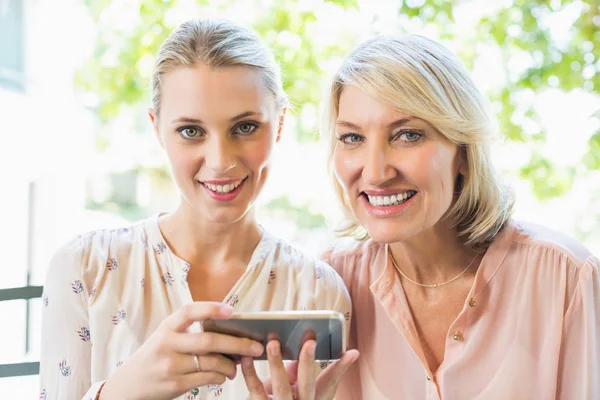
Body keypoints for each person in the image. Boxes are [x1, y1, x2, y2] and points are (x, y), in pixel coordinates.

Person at [39, 18, 356, 400]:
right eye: (191, 131)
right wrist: (120, 392)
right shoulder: (86, 268)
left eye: (245, 127)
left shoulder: (317, 290)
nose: (220, 160)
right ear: (157, 129)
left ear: (280, 124)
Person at [320, 34, 600, 399]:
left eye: (407, 135)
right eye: (352, 138)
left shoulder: (566, 278)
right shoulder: (326, 286)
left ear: (465, 153)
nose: (374, 173)